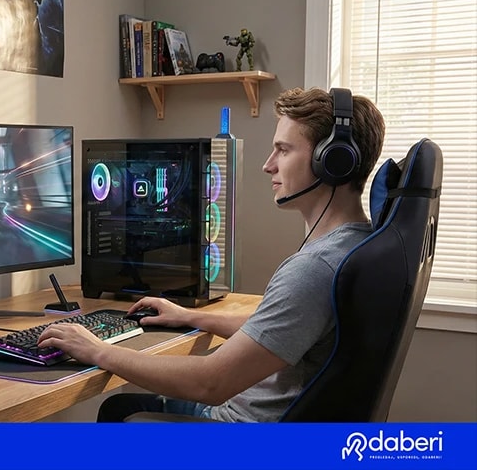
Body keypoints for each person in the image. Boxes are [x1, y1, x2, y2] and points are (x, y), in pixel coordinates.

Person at [37, 87, 385, 422]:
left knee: (119, 411)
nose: (268, 165)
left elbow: (211, 382)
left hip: (241, 431)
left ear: (334, 162)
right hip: (261, 418)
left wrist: (97, 349)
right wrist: (193, 317)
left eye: (283, 150)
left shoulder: (314, 268)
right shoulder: (353, 247)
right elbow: (275, 331)